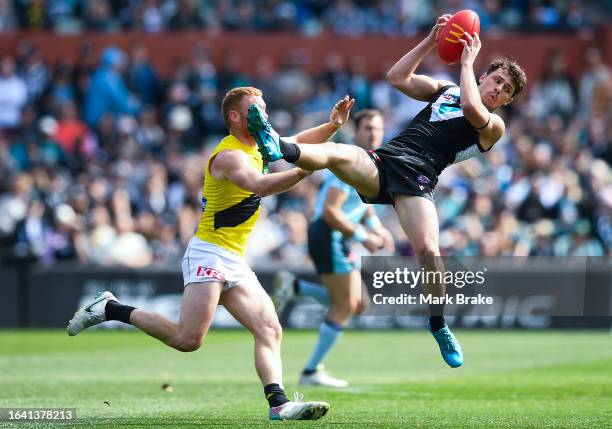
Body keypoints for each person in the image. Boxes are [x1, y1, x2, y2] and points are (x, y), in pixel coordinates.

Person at [247, 15, 527, 369]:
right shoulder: (447, 90)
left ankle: (438, 324)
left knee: (429, 252)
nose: (498, 90)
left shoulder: (494, 125)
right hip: (385, 162)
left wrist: (468, 62)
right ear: (486, 77)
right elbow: (397, 77)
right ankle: (278, 148)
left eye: (505, 91)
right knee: (339, 153)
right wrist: (430, 40)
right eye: (497, 80)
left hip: (419, 179)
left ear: (505, 103)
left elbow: (472, 107)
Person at [68, 86, 356, 421]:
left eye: (263, 108)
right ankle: (109, 308)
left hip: (234, 259)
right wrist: (306, 169)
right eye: (255, 109)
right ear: (235, 116)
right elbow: (261, 185)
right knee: (187, 339)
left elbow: (294, 142)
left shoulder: (258, 146)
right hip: (209, 254)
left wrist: (333, 125)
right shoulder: (230, 155)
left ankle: (278, 405)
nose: (262, 114)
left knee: (269, 329)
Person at [273, 109, 394, 387]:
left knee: (359, 304)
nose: (374, 133)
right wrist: (363, 235)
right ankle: (311, 371)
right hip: (328, 233)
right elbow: (330, 211)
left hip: (336, 235)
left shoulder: (367, 161)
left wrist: (376, 225)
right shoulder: (347, 160)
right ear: (357, 132)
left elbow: (359, 204)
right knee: (343, 307)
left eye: (377, 128)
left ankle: (295, 288)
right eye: (368, 129)